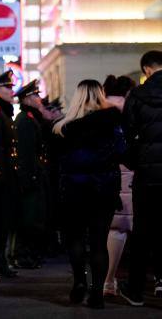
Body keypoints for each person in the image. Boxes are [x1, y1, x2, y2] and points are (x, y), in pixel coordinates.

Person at [53, 80, 125, 309]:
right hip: (103, 189)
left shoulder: (63, 127)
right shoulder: (112, 123)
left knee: (75, 239)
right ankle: (97, 293)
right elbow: (123, 152)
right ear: (100, 95)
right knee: (98, 242)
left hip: (74, 190)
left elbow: (56, 161)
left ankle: (79, 283)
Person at [122, 50, 162, 306]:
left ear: (146, 69)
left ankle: (135, 289)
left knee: (142, 230)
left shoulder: (137, 95)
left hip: (147, 175)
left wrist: (136, 163)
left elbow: (127, 135)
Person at [101, 75, 136, 297]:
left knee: (112, 229)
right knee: (123, 227)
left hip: (103, 175)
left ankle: (108, 280)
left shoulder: (98, 111)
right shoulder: (131, 112)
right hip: (129, 174)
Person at [0, 70, 21, 279]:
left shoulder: (5, 112)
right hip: (1, 170)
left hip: (8, 170)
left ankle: (1, 261)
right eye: (7, 87)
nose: (11, 91)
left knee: (6, 219)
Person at [13, 80, 48, 269]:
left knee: (35, 217)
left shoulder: (30, 118)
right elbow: (25, 153)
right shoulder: (25, 120)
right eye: (35, 95)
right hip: (30, 176)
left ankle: (31, 254)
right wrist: (29, 177)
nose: (38, 98)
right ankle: (24, 254)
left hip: (35, 174)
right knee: (29, 218)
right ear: (26, 99)